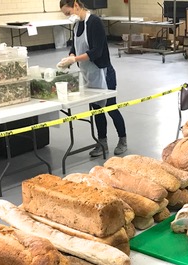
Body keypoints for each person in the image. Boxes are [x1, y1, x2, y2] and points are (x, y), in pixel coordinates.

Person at [58, 0, 127, 157]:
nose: (68, 17)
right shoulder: (76, 25)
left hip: (103, 72)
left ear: (76, 5)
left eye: (68, 13)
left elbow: (96, 52)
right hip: (89, 74)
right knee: (96, 110)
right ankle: (102, 143)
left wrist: (75, 60)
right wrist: (70, 57)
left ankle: (123, 140)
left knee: (111, 108)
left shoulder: (94, 22)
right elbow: (74, 47)